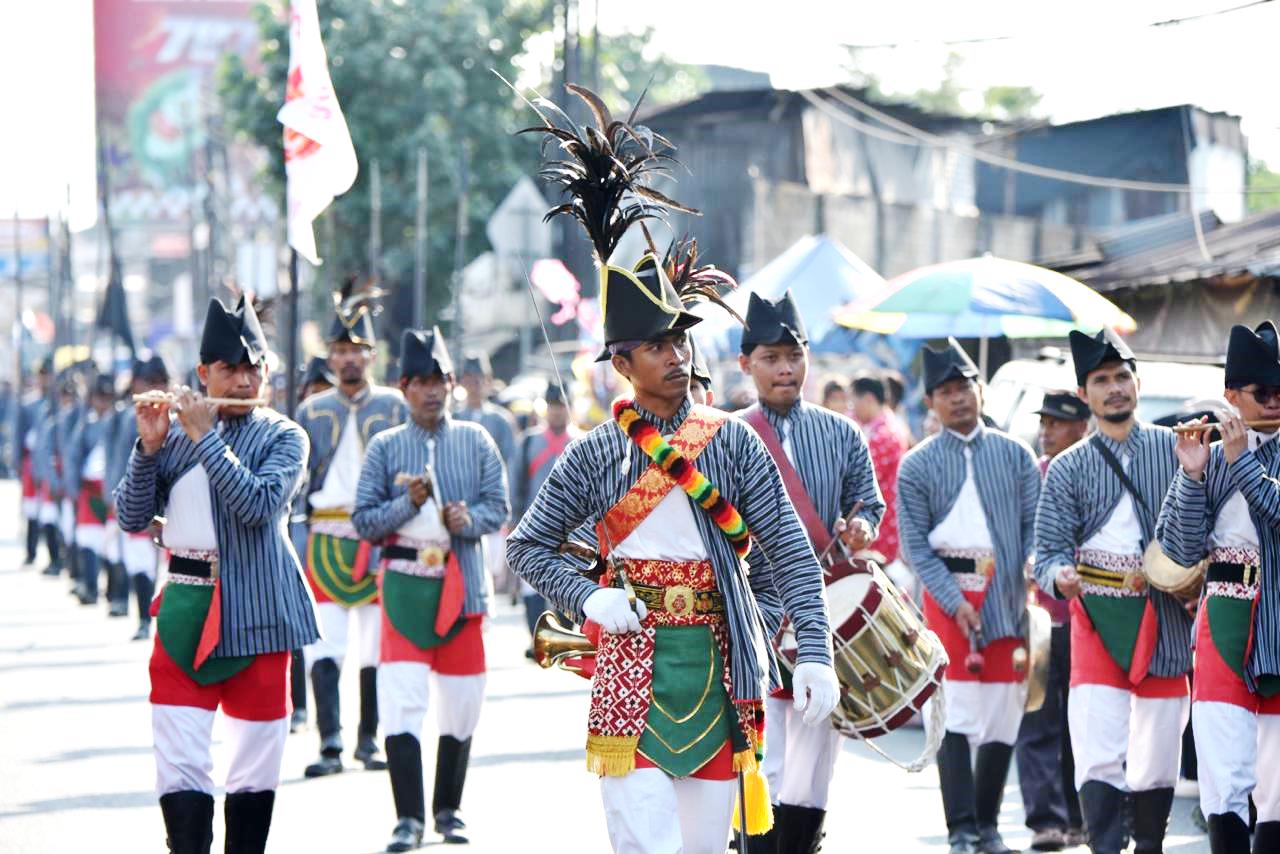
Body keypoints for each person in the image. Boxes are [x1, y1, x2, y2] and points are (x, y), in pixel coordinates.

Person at [115, 296, 318, 853]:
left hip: (261, 614)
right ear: (204, 373)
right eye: (229, 368)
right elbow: (131, 517)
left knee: (254, 770)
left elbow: (256, 506)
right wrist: (149, 447)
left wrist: (205, 439)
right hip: (184, 606)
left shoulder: (285, 437)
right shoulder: (172, 437)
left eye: (254, 368)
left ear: (267, 373)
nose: (243, 378)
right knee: (180, 766)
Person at [736, 290, 885, 853]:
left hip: (820, 611)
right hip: (752, 613)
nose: (785, 369)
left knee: (815, 760)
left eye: (794, 356)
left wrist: (861, 527)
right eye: (771, 358)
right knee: (761, 761)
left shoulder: (844, 433)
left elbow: (868, 502)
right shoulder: (726, 434)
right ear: (745, 363)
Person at [1035, 329, 1193, 854]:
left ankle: (1149, 844)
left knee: (1158, 747)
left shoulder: (1175, 452)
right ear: (1085, 395)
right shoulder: (1068, 466)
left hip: (1164, 612)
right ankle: (1105, 845)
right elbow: (1049, 549)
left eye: (1122, 377)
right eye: (1101, 381)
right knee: (1097, 746)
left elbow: (1201, 529)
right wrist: (1060, 576)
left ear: (1137, 382)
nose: (1114, 388)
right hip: (1096, 617)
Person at [352, 327, 509, 851]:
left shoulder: (477, 440)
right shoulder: (385, 446)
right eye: (421, 382)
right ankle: (408, 818)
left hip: (462, 586)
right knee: (402, 702)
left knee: (463, 702)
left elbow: (500, 508)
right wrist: (407, 506)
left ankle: (448, 809)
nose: (433, 391)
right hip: (402, 588)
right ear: (402, 386)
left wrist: (467, 518)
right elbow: (364, 522)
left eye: (440, 380)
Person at [897, 342, 1040, 854]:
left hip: (1004, 594)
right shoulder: (916, 465)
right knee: (953, 711)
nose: (957, 399)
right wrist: (950, 598)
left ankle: (988, 824)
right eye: (945, 392)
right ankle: (959, 827)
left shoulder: (1016, 456)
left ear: (980, 390)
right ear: (931, 401)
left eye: (964, 388)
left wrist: (1025, 575)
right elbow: (914, 545)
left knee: (1003, 710)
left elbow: (1033, 529)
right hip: (945, 595)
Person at [1158, 321, 1280, 853]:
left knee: (1277, 780)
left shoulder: (1239, 457)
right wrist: (1190, 475)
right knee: (1223, 770)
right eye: (1264, 393)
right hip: (1226, 612)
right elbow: (1180, 551)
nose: (1275, 402)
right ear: (1231, 395)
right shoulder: (1205, 452)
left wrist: (1240, 462)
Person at [295, 287, 407, 776]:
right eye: (339, 352)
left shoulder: (395, 407)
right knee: (325, 644)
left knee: (376, 645)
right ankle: (330, 743)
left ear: (371, 355)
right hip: (326, 536)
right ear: (330, 357)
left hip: (381, 536)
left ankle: (369, 740)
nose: (347, 359)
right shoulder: (312, 412)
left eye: (355, 351)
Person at [1016, 391, 1090, 851]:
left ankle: (1082, 816)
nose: (1046, 430)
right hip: (1041, 616)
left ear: (1084, 425)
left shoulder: (1094, 471)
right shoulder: (1033, 476)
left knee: (1081, 721)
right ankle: (1045, 822)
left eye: (1057, 422)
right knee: (1038, 717)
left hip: (1088, 616)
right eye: (1043, 421)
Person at [104, 354, 172, 637]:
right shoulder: (123, 417)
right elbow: (116, 459)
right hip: (136, 497)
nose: (154, 387)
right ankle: (143, 619)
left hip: (169, 505)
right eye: (149, 382)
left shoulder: (179, 414)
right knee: (139, 562)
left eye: (159, 382)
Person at [288, 355, 337, 729]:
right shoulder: (299, 423)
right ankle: (299, 703)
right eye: (314, 389)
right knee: (296, 617)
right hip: (304, 528)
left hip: (342, 535)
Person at [511, 384, 581, 647]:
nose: (557, 412)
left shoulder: (582, 442)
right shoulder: (529, 441)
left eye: (561, 406)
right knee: (532, 585)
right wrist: (515, 524)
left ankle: (564, 640)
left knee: (568, 583)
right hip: (535, 527)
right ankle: (536, 640)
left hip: (574, 531)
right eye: (553, 406)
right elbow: (517, 485)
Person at [455, 351, 518, 594]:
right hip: (460, 502)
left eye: (479, 379)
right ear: (462, 382)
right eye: (470, 379)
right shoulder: (454, 416)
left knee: (490, 572)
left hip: (491, 503)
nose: (475, 384)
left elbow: (509, 464)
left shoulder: (501, 420)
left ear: (488, 380)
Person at [66, 374, 118, 606]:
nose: (103, 403)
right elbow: (74, 456)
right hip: (90, 489)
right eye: (99, 397)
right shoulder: (85, 424)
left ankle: (116, 595)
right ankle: (89, 586)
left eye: (107, 398)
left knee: (114, 546)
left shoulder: (120, 421)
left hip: (113, 492)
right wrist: (73, 487)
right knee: (88, 540)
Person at [852, 372, 903, 565]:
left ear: (868, 399)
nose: (853, 408)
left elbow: (859, 480)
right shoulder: (882, 426)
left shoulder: (884, 435)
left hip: (880, 524)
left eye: (854, 402)